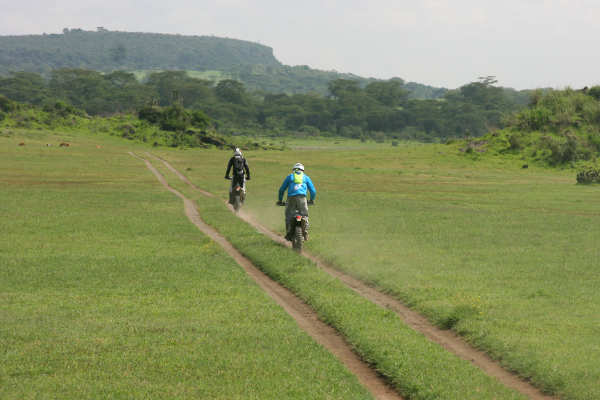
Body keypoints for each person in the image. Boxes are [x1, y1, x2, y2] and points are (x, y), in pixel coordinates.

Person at [277, 163, 316, 241]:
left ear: (293, 170)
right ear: (303, 171)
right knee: (304, 215)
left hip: (291, 198)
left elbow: (281, 190)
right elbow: (313, 191)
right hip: (302, 198)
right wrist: (311, 200)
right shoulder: (306, 177)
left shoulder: (289, 177)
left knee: (289, 216)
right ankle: (305, 232)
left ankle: (288, 233)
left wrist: (280, 201)